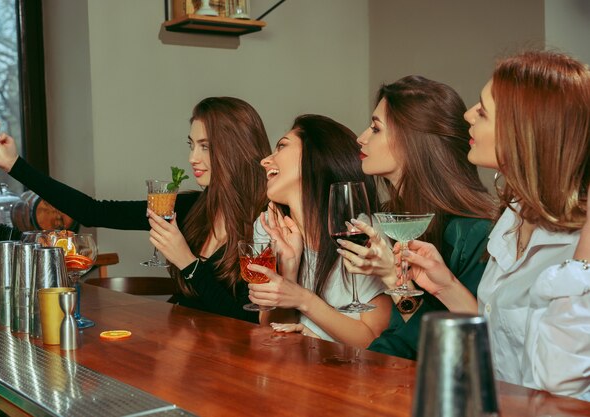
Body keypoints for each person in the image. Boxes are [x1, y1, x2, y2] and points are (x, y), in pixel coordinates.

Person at [398, 51, 590, 400]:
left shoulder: (579, 240)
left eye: (483, 111)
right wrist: (445, 286)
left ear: (526, 131)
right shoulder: (515, 212)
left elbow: (558, 386)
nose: (468, 114)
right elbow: (505, 344)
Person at [0, 97, 272, 322]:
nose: (192, 158)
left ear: (235, 149)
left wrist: (187, 261)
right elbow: (93, 211)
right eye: (191, 145)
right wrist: (14, 165)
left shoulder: (266, 222)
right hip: (183, 351)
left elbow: (246, 319)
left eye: (205, 147)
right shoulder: (187, 208)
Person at [335, 75, 497, 359]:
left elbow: (459, 351)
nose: (361, 138)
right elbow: (397, 337)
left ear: (413, 140)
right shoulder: (391, 219)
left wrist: (393, 279)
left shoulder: (474, 232)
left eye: (375, 128)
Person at [246, 114, 390, 348]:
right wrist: (289, 270)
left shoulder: (362, 232)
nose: (265, 161)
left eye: (282, 146)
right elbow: (269, 331)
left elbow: (375, 340)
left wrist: (304, 300)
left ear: (317, 156)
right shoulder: (268, 226)